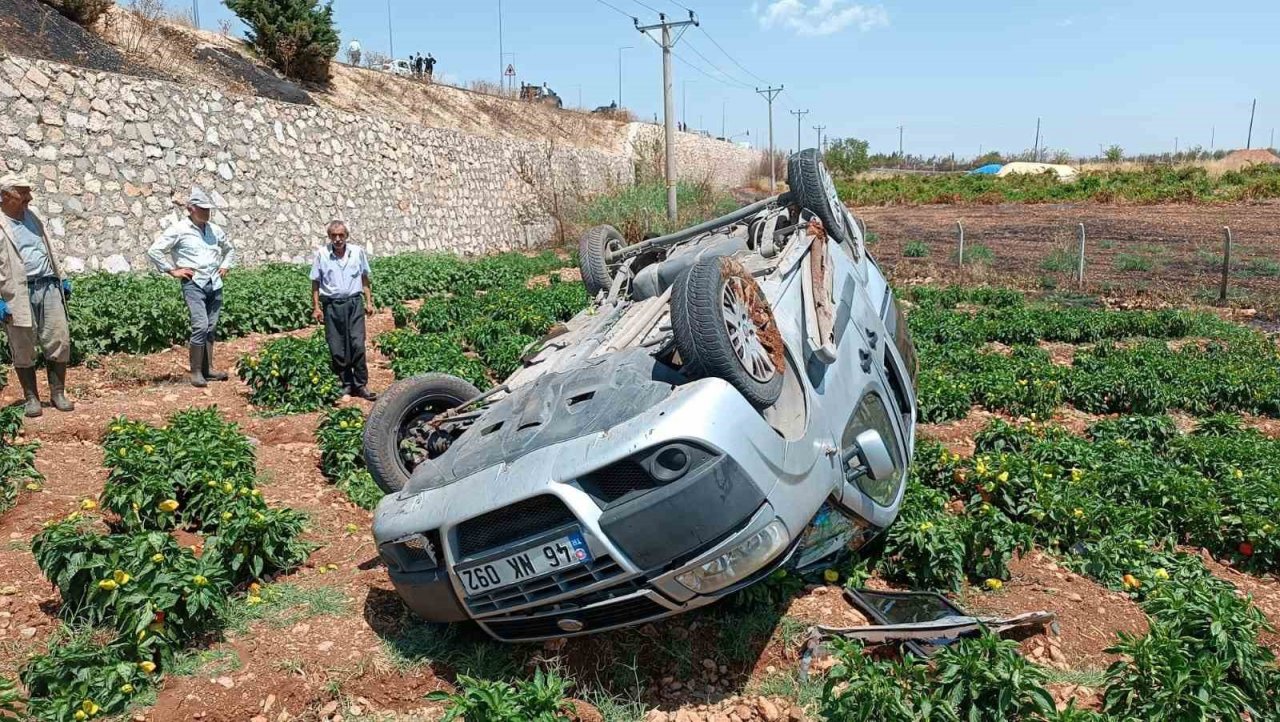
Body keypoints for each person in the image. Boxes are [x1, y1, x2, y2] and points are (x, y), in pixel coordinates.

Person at [0, 173, 73, 417]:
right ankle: (31, 398)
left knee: (59, 338)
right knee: (23, 345)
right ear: (5, 196)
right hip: (16, 293)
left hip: (47, 285)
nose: (28, 197)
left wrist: (61, 278)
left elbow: (47, 248)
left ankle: (58, 393)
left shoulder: (32, 217)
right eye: (22, 192)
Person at [146, 187, 235, 388]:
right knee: (201, 325)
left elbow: (229, 250)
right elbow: (155, 251)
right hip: (194, 283)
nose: (207, 212)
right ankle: (195, 371)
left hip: (214, 283)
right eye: (202, 209)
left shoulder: (214, 230)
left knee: (211, 327)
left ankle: (208, 369)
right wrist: (172, 270)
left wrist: (225, 265)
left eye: (208, 209)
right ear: (191, 209)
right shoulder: (179, 229)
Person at [310, 220, 376, 400]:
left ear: (346, 236)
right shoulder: (322, 255)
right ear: (329, 237)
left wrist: (369, 302)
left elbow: (364, 278)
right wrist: (316, 307)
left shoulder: (357, 253)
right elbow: (315, 282)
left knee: (357, 344)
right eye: (334, 235)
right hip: (332, 305)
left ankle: (361, 384)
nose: (338, 239)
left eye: (341, 235)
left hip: (354, 303)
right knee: (336, 346)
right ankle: (346, 383)